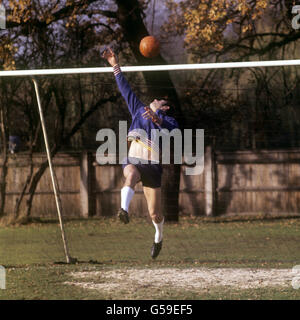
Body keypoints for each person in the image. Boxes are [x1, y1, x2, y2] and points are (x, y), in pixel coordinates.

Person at [102, 48, 178, 259]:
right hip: (134, 160)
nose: (155, 101)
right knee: (131, 174)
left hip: (152, 166)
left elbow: (174, 130)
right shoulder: (139, 110)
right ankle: (123, 210)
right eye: (155, 100)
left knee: (155, 213)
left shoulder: (168, 121)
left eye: (160, 101)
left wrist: (159, 120)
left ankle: (158, 237)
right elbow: (125, 89)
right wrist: (114, 64)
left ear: (165, 107)